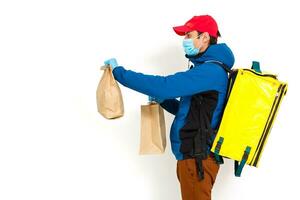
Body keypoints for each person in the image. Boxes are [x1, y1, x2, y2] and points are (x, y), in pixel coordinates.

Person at [103, 15, 235, 200]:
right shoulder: (207, 69)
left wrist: (120, 73)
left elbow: (164, 85)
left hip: (197, 159)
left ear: (205, 37)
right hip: (194, 158)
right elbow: (190, 110)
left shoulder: (210, 71)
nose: (185, 40)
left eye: (189, 35)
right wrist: (165, 101)